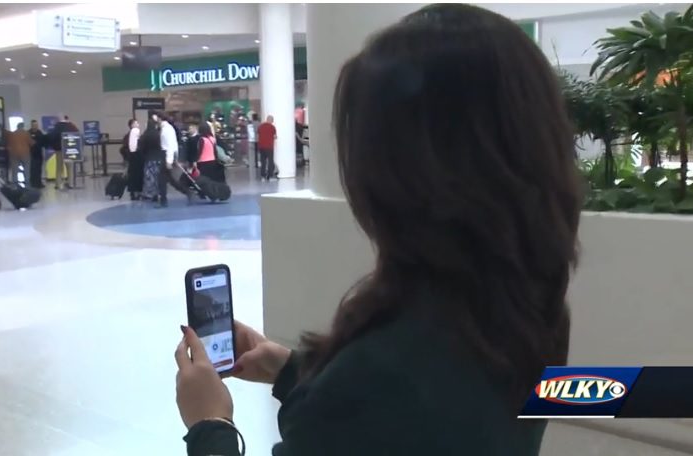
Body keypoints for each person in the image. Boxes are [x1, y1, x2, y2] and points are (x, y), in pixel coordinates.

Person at [174, 4, 581, 456]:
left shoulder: (382, 373)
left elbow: (387, 402)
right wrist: (291, 368)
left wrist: (210, 421)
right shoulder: (529, 301)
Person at [157, 111, 193, 207]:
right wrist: (175, 157)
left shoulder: (165, 130)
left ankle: (163, 201)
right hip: (170, 154)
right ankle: (187, 192)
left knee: (161, 179)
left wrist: (169, 160)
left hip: (165, 155)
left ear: (160, 118)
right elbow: (174, 144)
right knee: (170, 179)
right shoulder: (169, 128)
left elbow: (168, 145)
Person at [137, 111, 162, 203]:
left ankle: (148, 194)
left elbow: (141, 147)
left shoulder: (145, 135)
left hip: (149, 158)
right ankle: (157, 193)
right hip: (158, 158)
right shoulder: (158, 134)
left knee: (149, 177)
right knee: (157, 177)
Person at [124, 119, 143, 200]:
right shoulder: (135, 131)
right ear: (132, 125)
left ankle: (133, 192)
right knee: (137, 175)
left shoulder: (128, 135)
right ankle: (137, 192)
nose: (138, 124)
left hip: (131, 157)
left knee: (132, 175)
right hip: (136, 157)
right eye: (136, 123)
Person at [257, 115, 277, 181]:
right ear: (271, 120)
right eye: (272, 120)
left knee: (263, 162)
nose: (272, 122)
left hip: (261, 146)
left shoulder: (260, 126)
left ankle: (263, 176)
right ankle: (270, 176)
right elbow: (275, 136)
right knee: (270, 161)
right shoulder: (272, 127)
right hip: (269, 146)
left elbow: (258, 134)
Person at [28, 120, 46, 189]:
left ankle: (39, 183)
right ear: (31, 125)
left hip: (39, 154)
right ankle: (32, 183)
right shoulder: (28, 133)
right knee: (32, 169)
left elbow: (43, 142)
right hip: (31, 154)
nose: (35, 126)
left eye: (36, 125)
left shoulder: (40, 133)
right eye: (33, 125)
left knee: (39, 169)